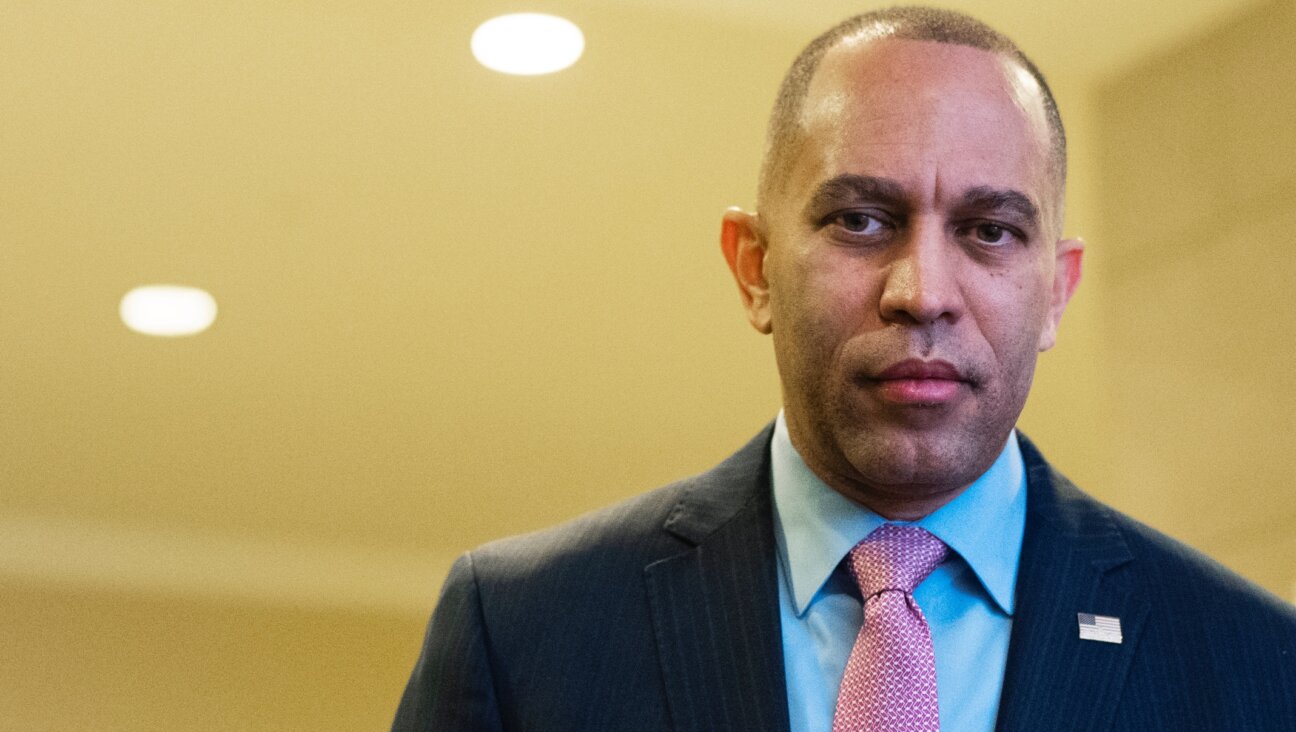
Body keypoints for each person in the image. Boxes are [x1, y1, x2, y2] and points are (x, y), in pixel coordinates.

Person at [393, 7, 1296, 731]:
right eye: (861, 219)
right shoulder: (523, 633)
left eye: (989, 231)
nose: (923, 292)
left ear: (1055, 291)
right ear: (754, 267)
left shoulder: (1254, 664)